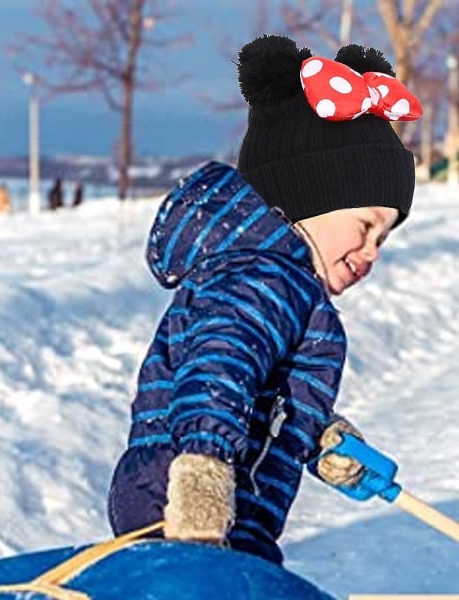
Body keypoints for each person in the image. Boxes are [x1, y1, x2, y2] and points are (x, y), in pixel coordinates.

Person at [107, 34, 422, 564]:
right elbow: (219, 368)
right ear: (308, 196)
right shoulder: (263, 278)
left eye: (383, 239)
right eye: (365, 226)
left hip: (228, 503)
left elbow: (263, 395)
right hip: (187, 499)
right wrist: (202, 472)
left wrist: (318, 439)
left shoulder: (285, 285)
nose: (370, 252)